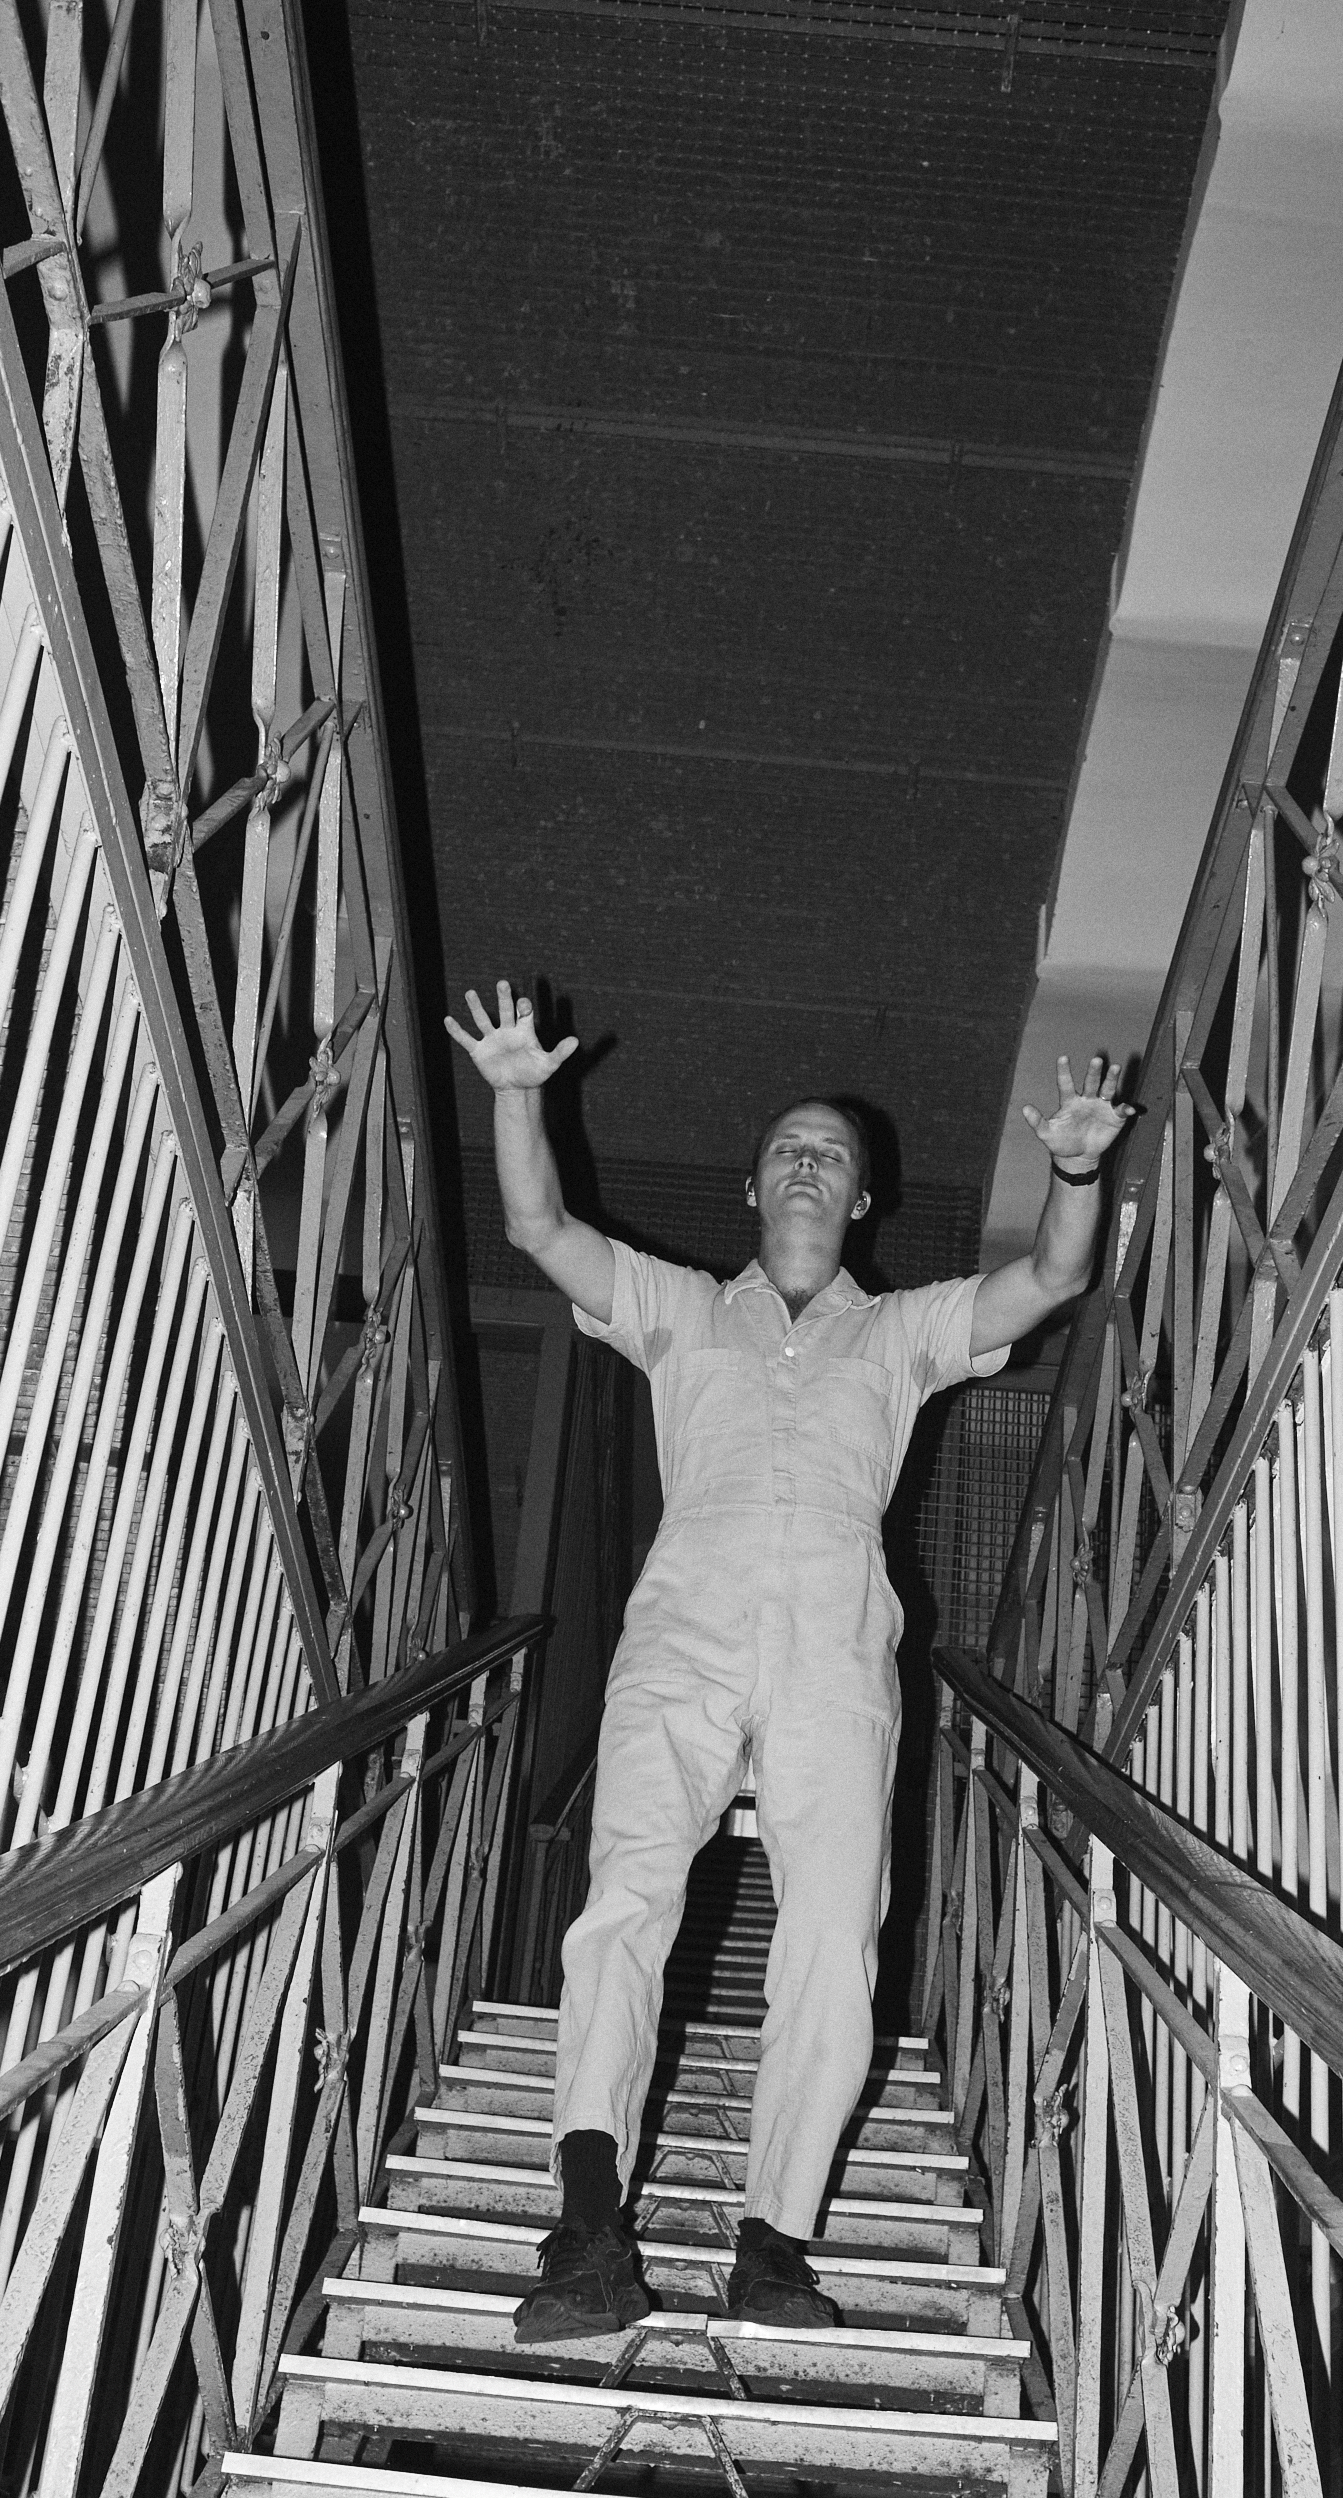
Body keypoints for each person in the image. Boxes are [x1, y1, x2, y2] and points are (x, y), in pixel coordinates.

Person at [444, 983, 1133, 2338]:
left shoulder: (904, 1329)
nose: (809, 1163)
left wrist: (1072, 1172)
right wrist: (518, 1094)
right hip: (682, 1633)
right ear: (753, 1186)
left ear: (863, 1198)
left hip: (836, 1648)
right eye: (786, 1149)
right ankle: (587, 2231)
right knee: (624, 1903)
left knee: (829, 1934)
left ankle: (774, 2242)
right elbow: (540, 1228)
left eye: (833, 1153)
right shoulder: (680, 1306)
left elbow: (1053, 1277)